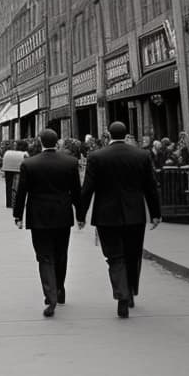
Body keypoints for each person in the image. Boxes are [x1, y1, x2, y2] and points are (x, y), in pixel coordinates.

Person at [80, 120, 162, 318]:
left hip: (106, 216)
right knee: (133, 255)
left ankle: (121, 294)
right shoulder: (141, 156)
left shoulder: (96, 157)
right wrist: (156, 213)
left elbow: (88, 188)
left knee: (115, 257)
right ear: (126, 135)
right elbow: (151, 187)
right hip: (135, 215)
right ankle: (131, 291)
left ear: (108, 134)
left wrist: (80, 214)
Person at [13, 128, 83, 316]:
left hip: (39, 216)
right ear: (57, 141)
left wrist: (18, 215)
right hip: (62, 214)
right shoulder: (70, 163)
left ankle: (50, 295)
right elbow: (76, 191)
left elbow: (22, 192)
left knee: (44, 256)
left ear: (40, 142)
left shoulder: (29, 164)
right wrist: (81, 215)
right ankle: (60, 289)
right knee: (61, 254)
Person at [1, 139, 28, 208]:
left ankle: (9, 203)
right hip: (19, 170)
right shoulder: (25, 154)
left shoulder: (8, 153)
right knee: (19, 187)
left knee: (8, 186)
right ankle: (17, 202)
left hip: (8, 169)